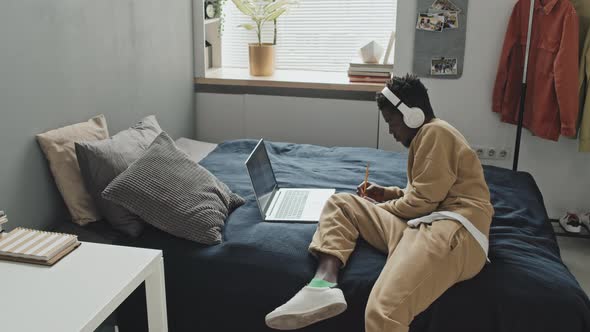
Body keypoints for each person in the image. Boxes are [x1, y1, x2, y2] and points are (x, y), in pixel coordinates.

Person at [265, 74, 494, 332]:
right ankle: (322, 286)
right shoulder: (429, 136)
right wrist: (387, 194)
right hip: (425, 225)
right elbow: (427, 191)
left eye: (392, 123)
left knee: (382, 314)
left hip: (452, 232)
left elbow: (423, 202)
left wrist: (379, 209)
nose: (390, 132)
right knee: (342, 204)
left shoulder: (435, 132)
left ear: (413, 116)